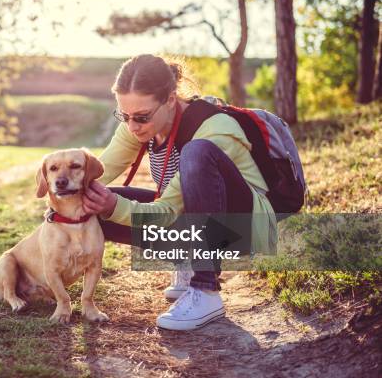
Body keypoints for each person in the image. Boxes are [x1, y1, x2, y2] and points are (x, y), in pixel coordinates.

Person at [82, 54, 277, 331]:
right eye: (124, 116)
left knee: (195, 154)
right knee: (92, 205)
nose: (132, 126)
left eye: (141, 117)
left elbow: (166, 212)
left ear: (170, 100)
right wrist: (67, 201)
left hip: (245, 230)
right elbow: (96, 172)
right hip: (191, 220)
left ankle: (206, 289)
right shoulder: (137, 125)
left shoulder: (214, 130)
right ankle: (187, 260)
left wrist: (115, 206)